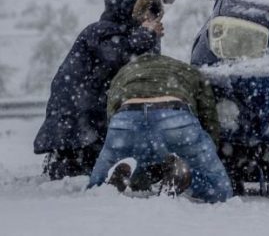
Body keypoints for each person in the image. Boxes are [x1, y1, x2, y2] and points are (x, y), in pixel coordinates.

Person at [33, 0, 163, 179]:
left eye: (153, 15)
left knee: (95, 166)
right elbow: (115, 56)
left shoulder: (127, 33)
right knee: (75, 173)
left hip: (89, 120)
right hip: (79, 118)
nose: (148, 19)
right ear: (127, 8)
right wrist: (147, 35)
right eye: (144, 12)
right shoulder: (102, 30)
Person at [87, 53, 232, 203]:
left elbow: (112, 109)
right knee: (220, 189)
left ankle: (109, 183)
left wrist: (121, 142)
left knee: (95, 188)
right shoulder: (189, 70)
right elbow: (208, 115)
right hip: (174, 117)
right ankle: (184, 177)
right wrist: (207, 147)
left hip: (126, 118)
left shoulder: (125, 71)